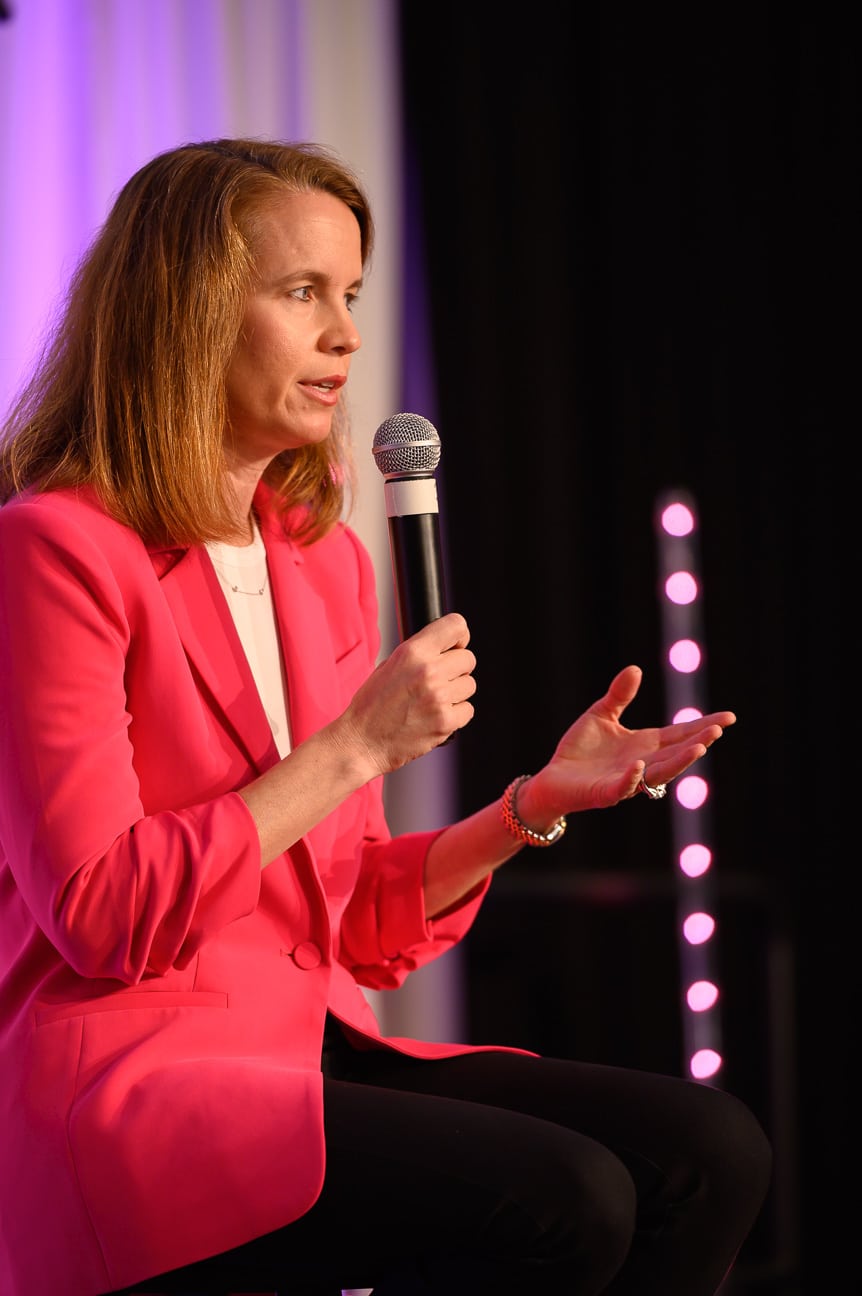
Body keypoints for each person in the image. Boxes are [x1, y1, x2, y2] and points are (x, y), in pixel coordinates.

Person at [0, 137, 771, 1296]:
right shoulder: (56, 549)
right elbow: (102, 915)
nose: (346, 337)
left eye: (351, 294)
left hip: (303, 1046)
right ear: (186, 313)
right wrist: (355, 746)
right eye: (301, 292)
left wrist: (527, 807)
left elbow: (355, 918)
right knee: (565, 1199)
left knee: (707, 1152)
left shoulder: (321, 564)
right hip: (130, 1078)